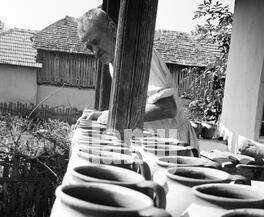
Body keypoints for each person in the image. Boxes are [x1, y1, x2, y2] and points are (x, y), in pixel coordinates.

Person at [77, 8, 199, 151]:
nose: (95, 52)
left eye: (96, 42)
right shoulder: (114, 61)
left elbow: (168, 108)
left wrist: (113, 116)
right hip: (156, 140)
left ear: (112, 29)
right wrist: (102, 114)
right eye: (89, 48)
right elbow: (136, 107)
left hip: (175, 141)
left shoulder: (138, 54)